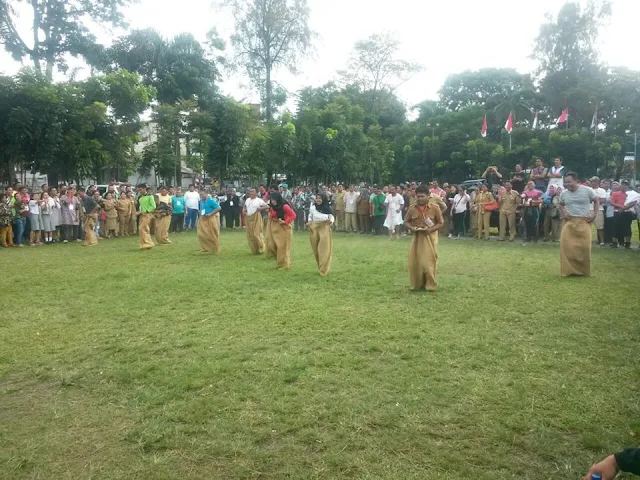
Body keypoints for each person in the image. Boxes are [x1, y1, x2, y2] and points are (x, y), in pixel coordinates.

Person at [404, 184, 444, 292]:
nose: (420, 199)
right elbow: (406, 221)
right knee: (416, 261)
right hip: (417, 237)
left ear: (428, 196)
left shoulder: (435, 208)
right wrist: (412, 228)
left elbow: (441, 223)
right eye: (418, 196)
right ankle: (417, 284)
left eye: (422, 196)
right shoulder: (412, 208)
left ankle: (430, 285)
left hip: (430, 237)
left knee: (429, 262)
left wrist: (430, 230)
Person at [559, 172, 598, 276]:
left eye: (569, 181)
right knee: (566, 247)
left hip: (584, 222)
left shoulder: (587, 190)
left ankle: (583, 271)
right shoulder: (564, 193)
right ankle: (568, 271)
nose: (567, 184)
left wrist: (594, 214)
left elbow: (596, 200)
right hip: (570, 222)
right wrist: (564, 213)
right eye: (565, 182)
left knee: (584, 248)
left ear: (576, 181)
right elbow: (561, 204)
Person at [265, 192, 296, 270]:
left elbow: (293, 215)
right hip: (275, 227)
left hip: (284, 227)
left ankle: (284, 264)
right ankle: (279, 260)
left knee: (283, 247)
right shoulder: (272, 206)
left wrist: (285, 222)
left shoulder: (284, 206)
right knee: (271, 244)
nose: (273, 201)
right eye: (272, 200)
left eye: (274, 200)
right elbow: (272, 213)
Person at [307, 193, 334, 276]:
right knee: (316, 250)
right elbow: (310, 217)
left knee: (324, 250)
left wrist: (330, 221)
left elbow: (331, 218)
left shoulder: (327, 208)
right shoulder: (313, 208)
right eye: (317, 198)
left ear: (323, 199)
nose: (318, 200)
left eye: (320, 198)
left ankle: (324, 269)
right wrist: (309, 222)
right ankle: (320, 266)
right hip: (314, 230)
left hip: (324, 229)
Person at [244, 188, 269, 254]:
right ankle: (254, 250)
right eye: (250, 192)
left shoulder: (259, 200)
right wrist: (245, 211)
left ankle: (262, 247)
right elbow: (245, 207)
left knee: (256, 234)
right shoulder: (247, 200)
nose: (251, 193)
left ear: (256, 193)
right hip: (248, 218)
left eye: (253, 191)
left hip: (256, 217)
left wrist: (260, 208)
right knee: (250, 235)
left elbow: (267, 206)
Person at [197, 189, 222, 253]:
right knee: (201, 234)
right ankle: (205, 248)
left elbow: (219, 208)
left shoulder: (211, 201)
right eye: (200, 195)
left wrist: (210, 214)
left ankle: (215, 248)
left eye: (203, 194)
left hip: (210, 218)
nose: (201, 196)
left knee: (211, 234)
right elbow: (201, 209)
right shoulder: (201, 201)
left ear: (206, 194)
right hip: (202, 218)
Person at [137, 184, 156, 250]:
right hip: (142, 215)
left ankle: (147, 243)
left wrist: (147, 211)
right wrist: (139, 212)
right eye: (139, 190)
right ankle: (145, 244)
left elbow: (153, 206)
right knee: (145, 229)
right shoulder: (140, 197)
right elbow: (141, 207)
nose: (140, 191)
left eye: (141, 189)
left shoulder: (150, 196)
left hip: (148, 214)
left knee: (141, 228)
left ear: (145, 189)